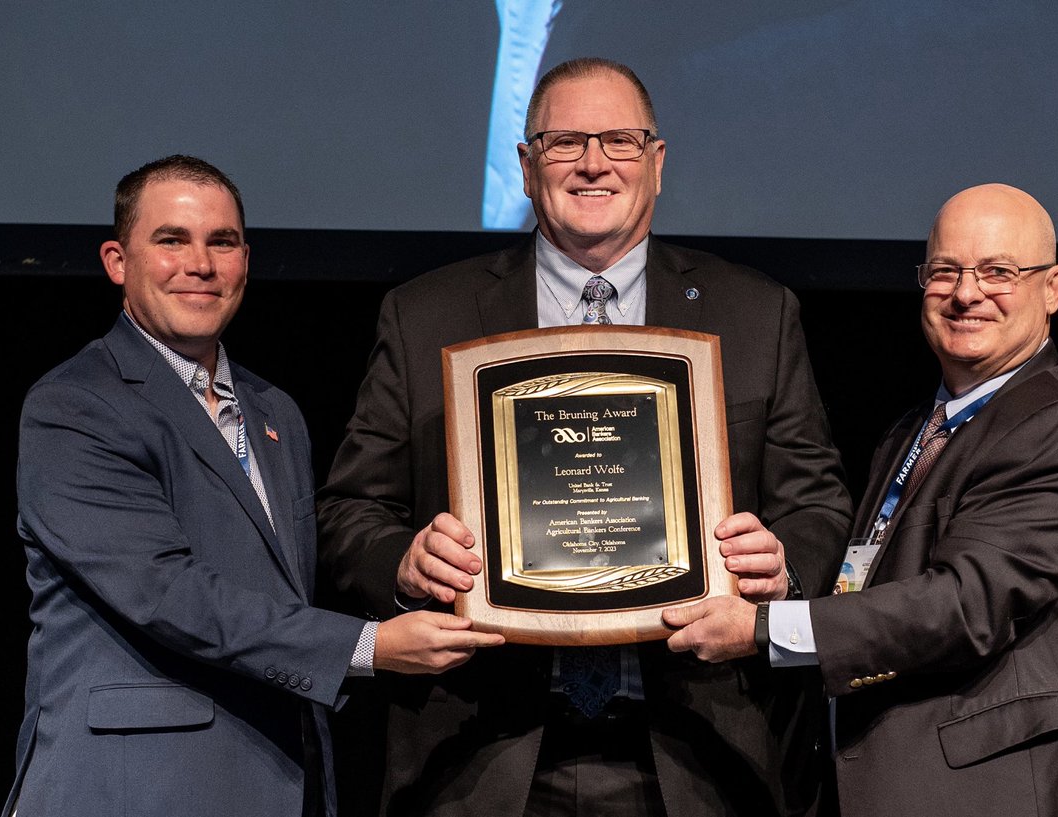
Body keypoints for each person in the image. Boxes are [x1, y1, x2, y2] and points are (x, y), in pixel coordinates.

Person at [316, 59, 851, 816]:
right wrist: (404, 564)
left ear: (656, 163)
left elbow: (819, 502)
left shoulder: (755, 312)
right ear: (528, 166)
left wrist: (782, 564)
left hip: (700, 752)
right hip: (482, 755)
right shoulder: (425, 313)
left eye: (621, 141)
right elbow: (348, 512)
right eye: (565, 141)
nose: (594, 162)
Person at [4, 155, 503, 817]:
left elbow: (283, 586)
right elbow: (168, 593)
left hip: (278, 774)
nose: (201, 264)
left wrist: (410, 570)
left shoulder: (276, 412)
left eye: (223, 242)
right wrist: (369, 645)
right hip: (131, 785)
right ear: (117, 261)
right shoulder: (74, 406)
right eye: (172, 240)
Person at [664, 183, 1058, 817]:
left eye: (998, 272)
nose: (966, 293)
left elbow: (966, 603)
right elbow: (867, 587)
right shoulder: (916, 428)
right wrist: (780, 580)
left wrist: (762, 627)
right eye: (945, 271)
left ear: (1053, 287)